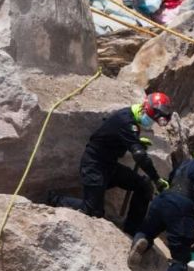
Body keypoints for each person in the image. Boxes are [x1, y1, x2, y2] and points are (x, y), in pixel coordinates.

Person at [53, 93, 173, 235]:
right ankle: (54, 199)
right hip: (94, 165)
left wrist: (135, 141)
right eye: (151, 119)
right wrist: (156, 179)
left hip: (109, 166)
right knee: (93, 212)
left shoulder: (131, 119)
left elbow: (116, 134)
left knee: (144, 186)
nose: (150, 123)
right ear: (144, 109)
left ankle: (132, 231)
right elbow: (140, 156)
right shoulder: (126, 121)